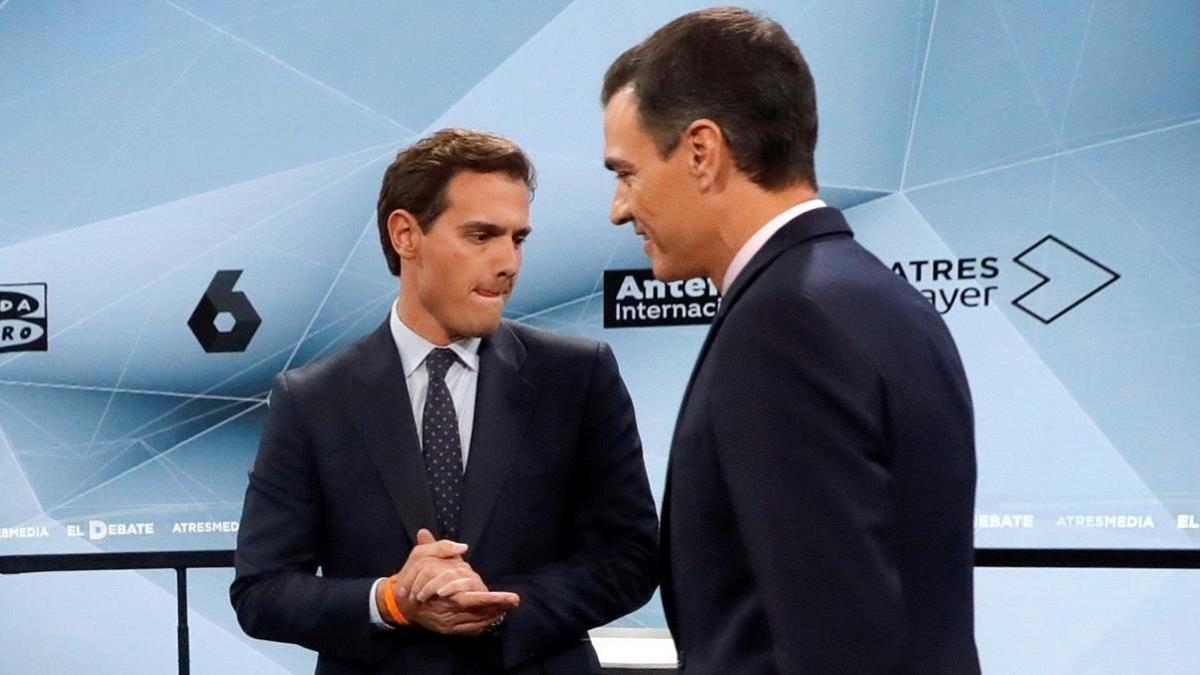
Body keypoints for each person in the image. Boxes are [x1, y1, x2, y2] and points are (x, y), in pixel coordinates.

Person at [601, 8, 979, 674]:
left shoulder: (784, 323)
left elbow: (834, 639)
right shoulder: (886, 301)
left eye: (627, 172)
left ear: (701, 152)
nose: (619, 207)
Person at [231, 128, 658, 674]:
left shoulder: (578, 377)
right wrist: (391, 601)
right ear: (407, 235)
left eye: (518, 238)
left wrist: (500, 608)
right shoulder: (312, 400)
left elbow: (630, 557)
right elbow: (262, 591)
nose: (508, 262)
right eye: (481, 236)